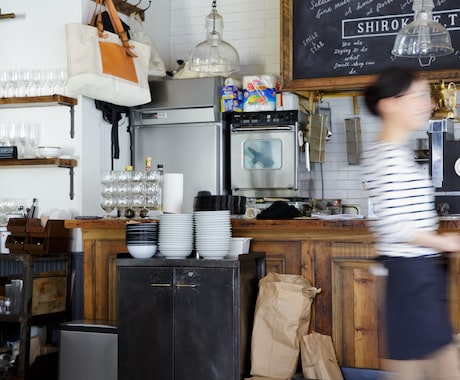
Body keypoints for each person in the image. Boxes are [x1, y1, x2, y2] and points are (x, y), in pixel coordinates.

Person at [361, 66, 460, 379]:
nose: (427, 103)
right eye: (418, 96)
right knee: (436, 368)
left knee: (434, 365)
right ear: (389, 104)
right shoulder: (388, 157)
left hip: (418, 277)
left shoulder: (393, 153)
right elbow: (396, 227)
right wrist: (447, 242)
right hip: (411, 278)